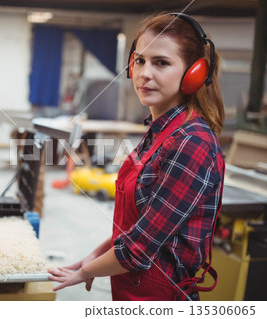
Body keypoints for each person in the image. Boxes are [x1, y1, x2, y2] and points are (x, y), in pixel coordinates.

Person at [48, 12, 225, 301]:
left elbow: (138, 249)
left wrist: (87, 272)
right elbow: (141, 226)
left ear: (194, 73)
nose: (145, 73)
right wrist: (94, 257)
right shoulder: (158, 132)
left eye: (162, 63)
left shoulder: (191, 144)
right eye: (140, 60)